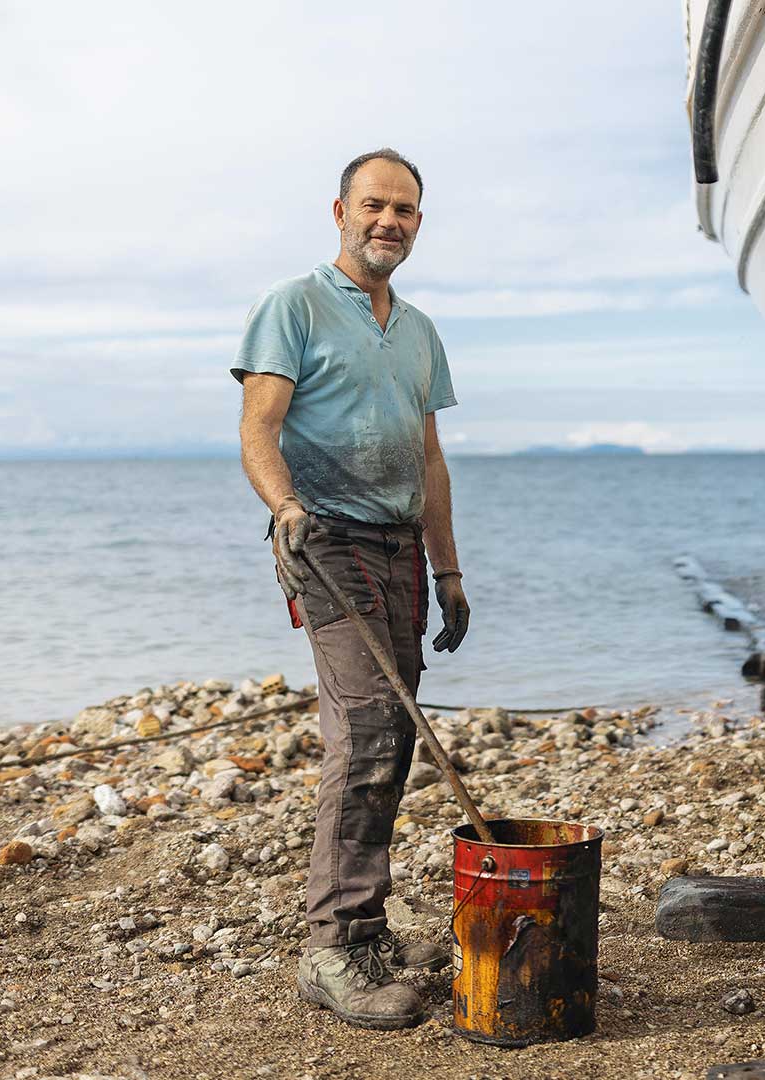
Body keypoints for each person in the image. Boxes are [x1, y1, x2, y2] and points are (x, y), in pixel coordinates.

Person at [233, 147, 470, 1030]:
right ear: (338, 212)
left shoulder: (418, 331)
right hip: (323, 538)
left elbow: (430, 457)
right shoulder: (290, 306)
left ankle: (363, 930)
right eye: (374, 206)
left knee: (392, 736)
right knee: (369, 731)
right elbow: (258, 426)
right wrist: (286, 505)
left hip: (401, 545)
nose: (389, 223)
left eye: (405, 211)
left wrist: (448, 570)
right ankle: (334, 948)